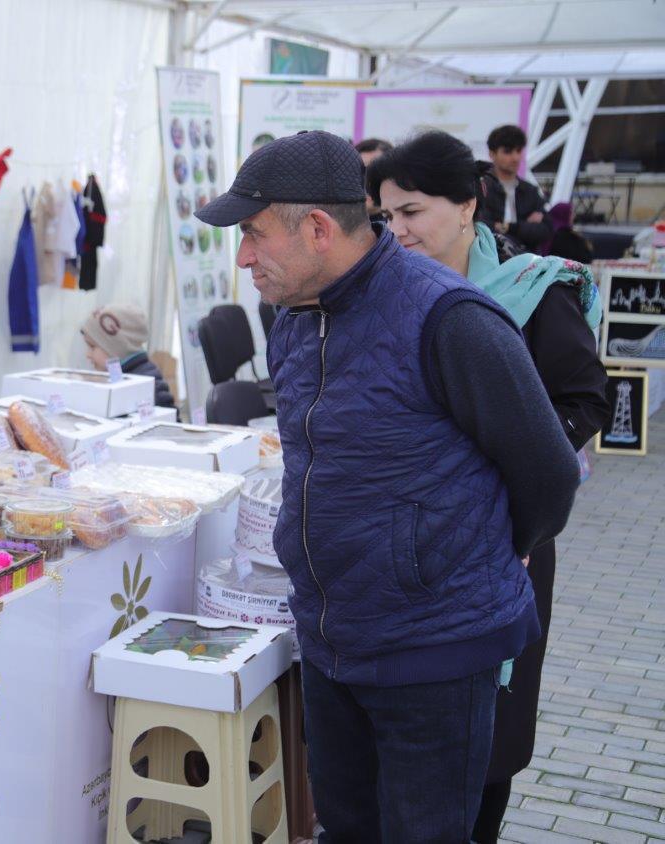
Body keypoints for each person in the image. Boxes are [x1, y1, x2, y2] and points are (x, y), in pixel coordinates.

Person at [195, 130, 581, 841]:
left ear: (316, 229)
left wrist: (471, 553)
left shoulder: (449, 319)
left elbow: (550, 474)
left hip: (433, 654)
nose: (243, 256)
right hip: (332, 643)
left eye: (252, 234)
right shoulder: (291, 323)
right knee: (346, 831)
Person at [366, 130, 609, 843]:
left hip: (511, 537)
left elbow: (586, 399)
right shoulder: (387, 287)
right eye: (385, 217)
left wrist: (504, 459)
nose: (398, 232)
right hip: (412, 541)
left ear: (468, 205)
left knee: (490, 726)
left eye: (412, 212)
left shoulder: (533, 290)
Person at [79, 304, 175, 409]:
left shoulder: (148, 387)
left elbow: (170, 421)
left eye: (92, 347)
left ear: (116, 347)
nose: (87, 355)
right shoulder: (120, 378)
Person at [481, 124, 552, 252]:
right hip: (492, 259)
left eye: (519, 151)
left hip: (529, 261)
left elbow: (545, 231)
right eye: (508, 151)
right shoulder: (482, 188)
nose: (515, 158)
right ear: (492, 154)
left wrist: (507, 227)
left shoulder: (530, 191)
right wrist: (524, 225)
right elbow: (481, 228)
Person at [355, 138, 392, 224]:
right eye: (357, 171)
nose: (365, 180)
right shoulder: (335, 226)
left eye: (373, 171)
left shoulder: (400, 230)